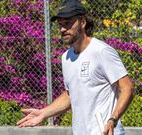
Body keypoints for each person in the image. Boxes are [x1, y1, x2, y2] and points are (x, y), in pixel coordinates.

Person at [17, 0, 134, 135]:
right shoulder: (66, 57)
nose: (62, 29)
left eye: (67, 24)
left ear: (82, 22)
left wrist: (112, 119)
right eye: (60, 25)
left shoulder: (101, 51)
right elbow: (70, 95)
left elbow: (127, 88)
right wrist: (43, 113)